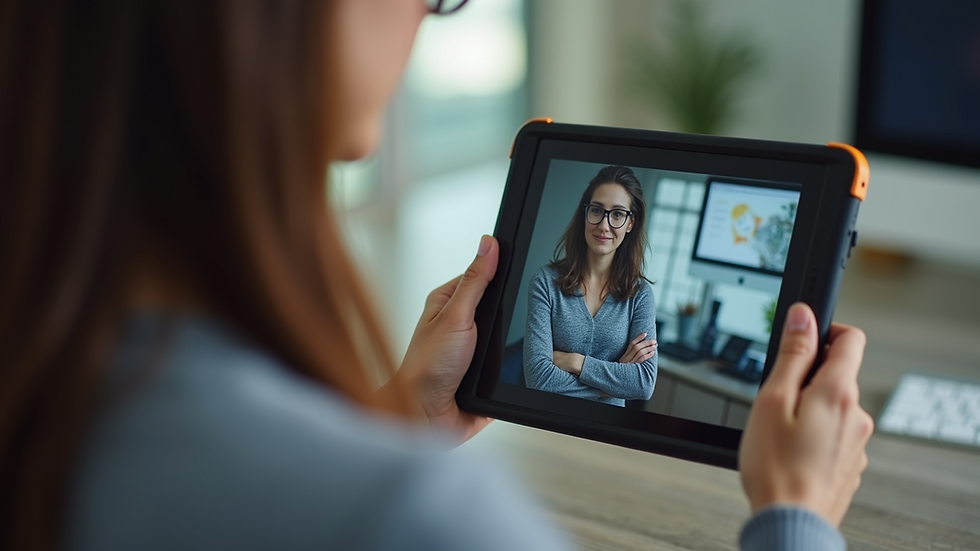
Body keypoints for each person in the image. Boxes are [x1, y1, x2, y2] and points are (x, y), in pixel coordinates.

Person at [0, 1, 873, 550]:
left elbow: (635, 379)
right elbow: (544, 371)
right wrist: (794, 515)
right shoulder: (413, 515)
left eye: (625, 214)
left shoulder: (46, 376)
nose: (427, 12)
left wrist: (403, 416)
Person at [523, 166, 658, 406]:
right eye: (597, 210)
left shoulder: (640, 295)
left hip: (608, 430)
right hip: (548, 421)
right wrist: (614, 383)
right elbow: (538, 379)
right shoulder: (545, 282)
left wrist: (575, 362)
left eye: (617, 214)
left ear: (630, 223)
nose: (604, 225)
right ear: (585, 214)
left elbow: (644, 383)